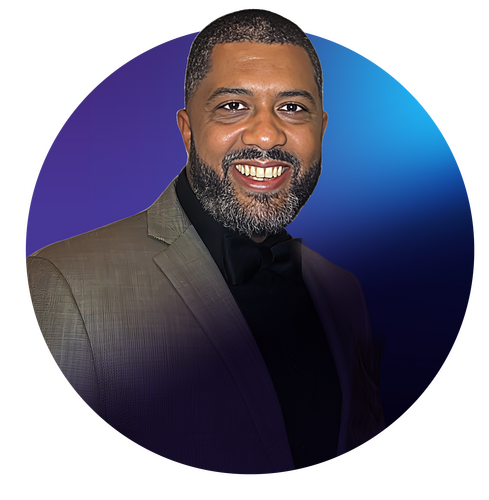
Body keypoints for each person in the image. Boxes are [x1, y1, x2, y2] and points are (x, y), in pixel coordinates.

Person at [23, 7, 384, 475]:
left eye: (293, 108)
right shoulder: (63, 285)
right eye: (233, 105)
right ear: (188, 130)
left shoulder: (344, 292)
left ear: (321, 129)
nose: (267, 135)